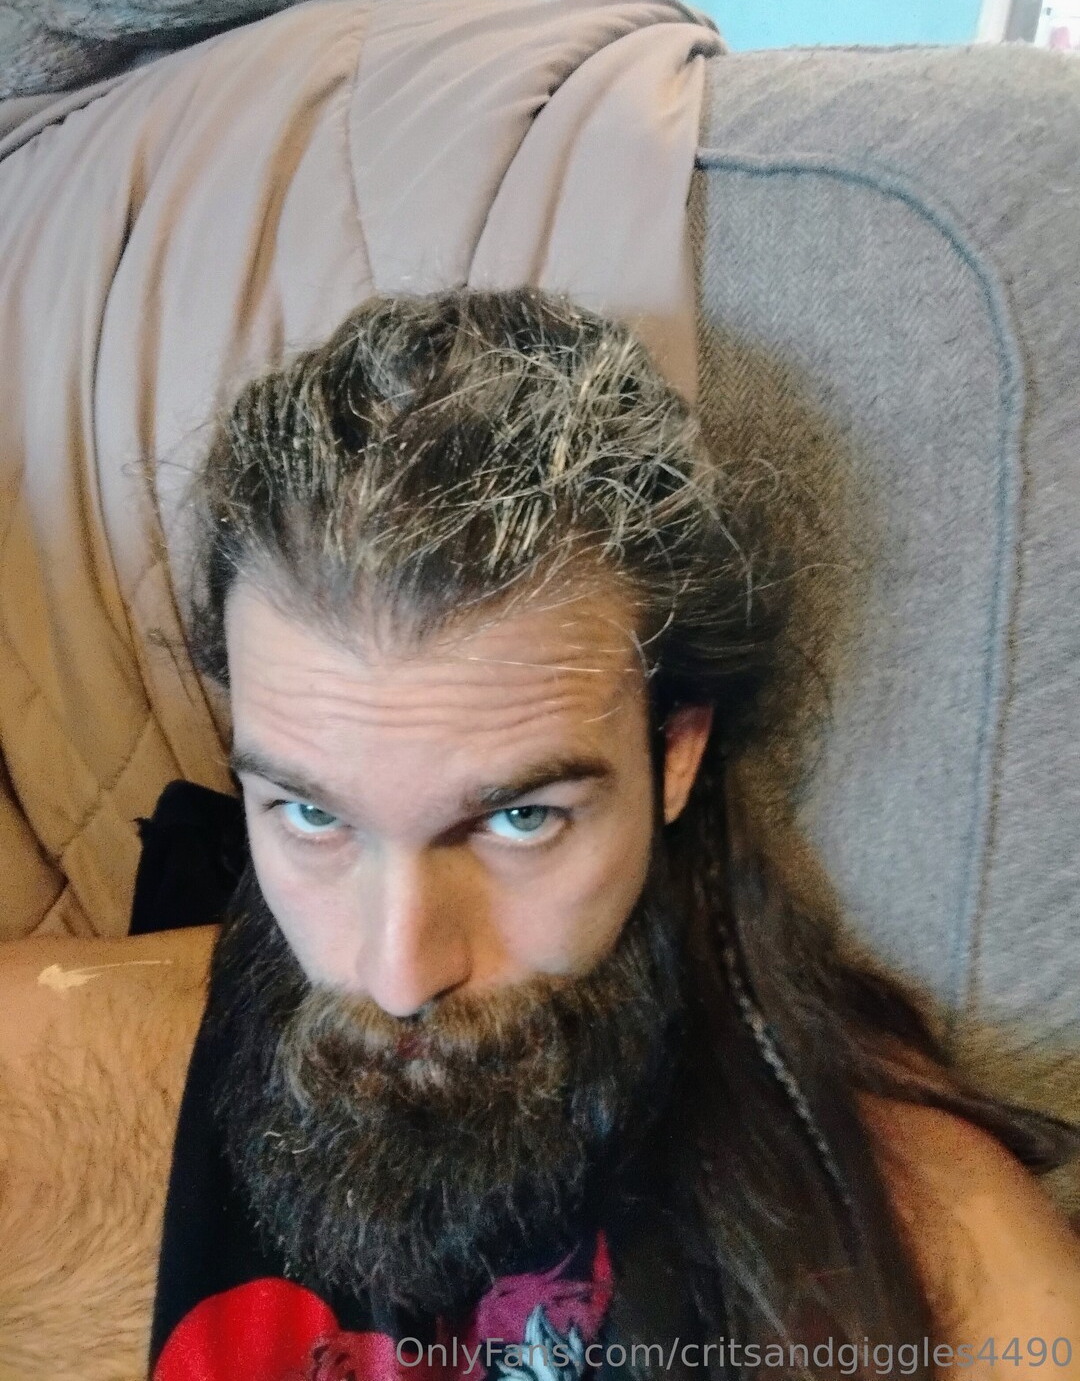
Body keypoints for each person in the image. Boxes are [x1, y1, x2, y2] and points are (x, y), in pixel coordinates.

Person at [2, 288, 1080, 1381]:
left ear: (675, 755)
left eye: (519, 819)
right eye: (313, 815)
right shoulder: (48, 1076)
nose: (398, 974)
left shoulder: (943, 1268)